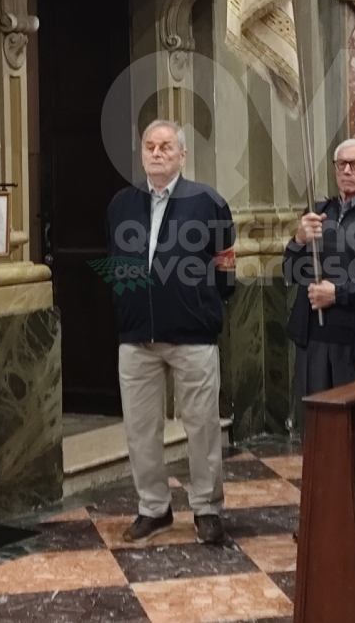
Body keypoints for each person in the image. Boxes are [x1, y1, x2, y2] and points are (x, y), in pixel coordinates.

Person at [105, 120, 236, 545]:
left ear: (182, 155)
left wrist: (201, 304)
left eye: (166, 146)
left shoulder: (207, 202)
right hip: (136, 338)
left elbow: (225, 269)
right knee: (141, 428)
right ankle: (153, 508)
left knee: (201, 425)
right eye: (150, 146)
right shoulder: (121, 204)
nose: (157, 153)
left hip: (192, 335)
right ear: (142, 153)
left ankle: (207, 508)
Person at [284, 138, 355, 410]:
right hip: (311, 334)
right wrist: (299, 240)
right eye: (341, 164)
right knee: (313, 417)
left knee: (348, 418)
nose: (347, 170)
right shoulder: (318, 212)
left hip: (352, 339)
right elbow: (289, 269)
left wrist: (338, 293)